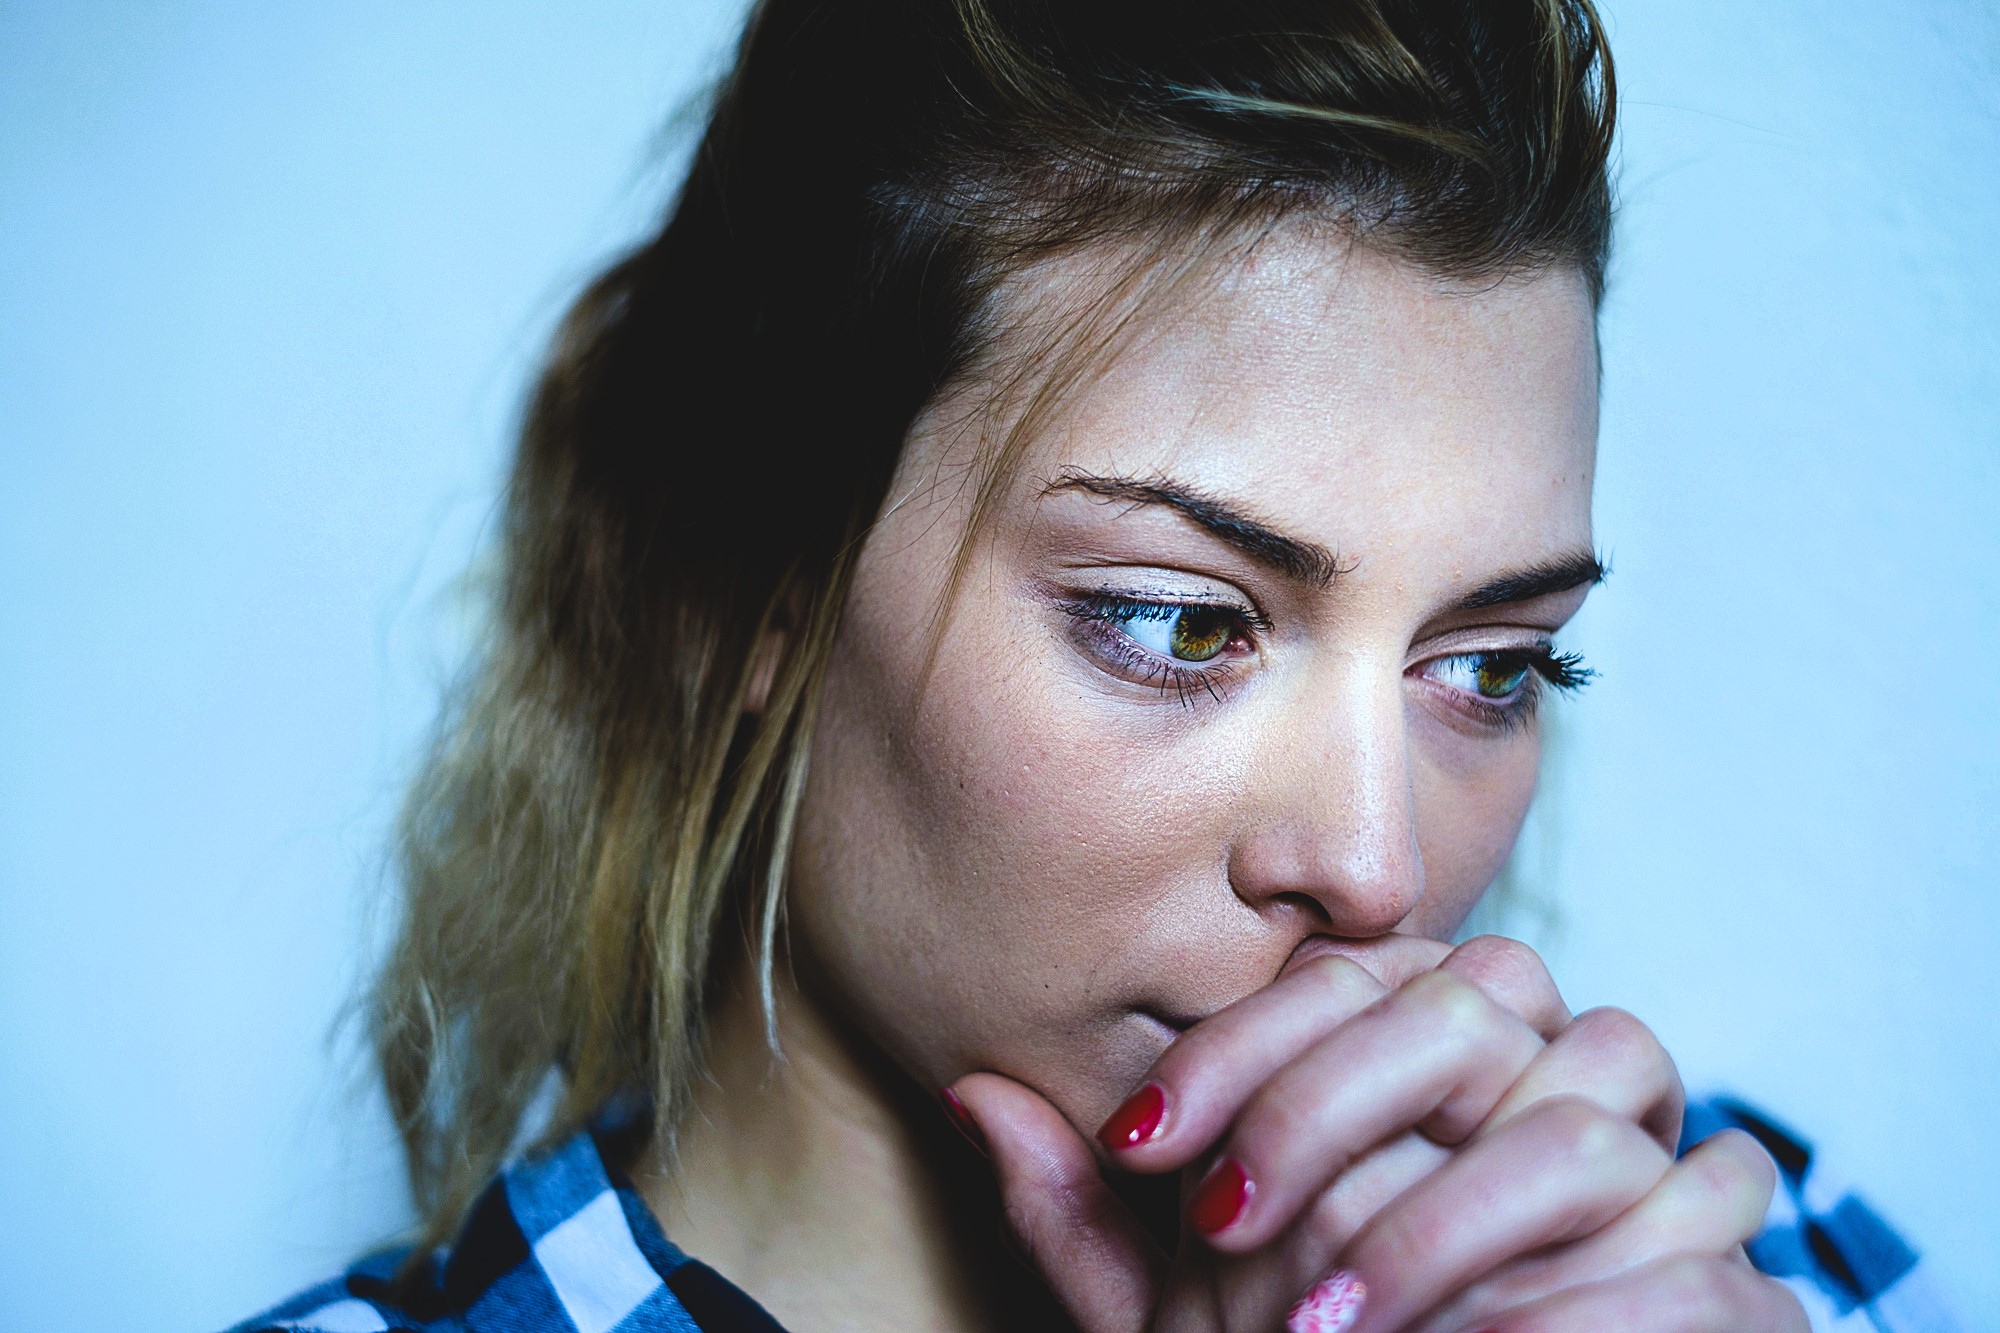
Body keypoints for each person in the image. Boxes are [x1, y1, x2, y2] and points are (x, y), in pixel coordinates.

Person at [229, 2, 1953, 1331]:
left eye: (1492, 665)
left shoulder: (1752, 1262)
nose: (1378, 865)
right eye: (1180, 619)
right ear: (742, 578)